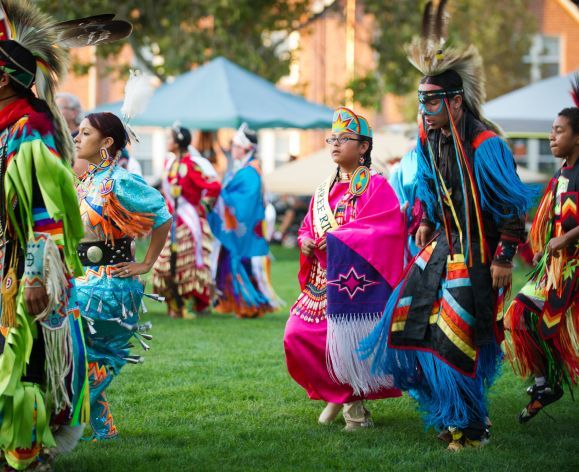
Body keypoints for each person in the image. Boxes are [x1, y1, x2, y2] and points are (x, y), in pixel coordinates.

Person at [354, 1, 533, 450]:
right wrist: (427, 219)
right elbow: (432, 190)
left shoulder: (486, 144)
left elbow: (510, 206)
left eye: (430, 101)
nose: (424, 109)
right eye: (420, 101)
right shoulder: (432, 139)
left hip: (477, 256)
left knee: (455, 338)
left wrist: (504, 257)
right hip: (444, 247)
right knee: (409, 323)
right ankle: (450, 414)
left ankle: (471, 427)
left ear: (455, 101)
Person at [0, 1, 131, 468]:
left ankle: (30, 448)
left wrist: (35, 274)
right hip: (4, 259)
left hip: (24, 266)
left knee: (25, 356)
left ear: (4, 78)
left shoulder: (27, 128)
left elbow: (46, 209)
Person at [284, 107, 405, 430]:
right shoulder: (324, 189)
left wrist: (338, 239)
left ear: (363, 146)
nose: (335, 144)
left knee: (344, 344)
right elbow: (307, 226)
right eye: (332, 139)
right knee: (296, 336)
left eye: (344, 139)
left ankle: (354, 408)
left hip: (354, 284)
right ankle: (340, 395)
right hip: (322, 281)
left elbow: (386, 228)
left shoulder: (375, 186)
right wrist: (307, 240)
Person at [74, 112, 171, 440]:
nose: (76, 137)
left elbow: (162, 214)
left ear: (106, 143)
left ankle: (64, 418)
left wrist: (146, 263)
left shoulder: (120, 180)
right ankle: (104, 431)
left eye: (85, 133)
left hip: (110, 287)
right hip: (84, 280)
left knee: (89, 361)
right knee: (81, 357)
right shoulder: (88, 179)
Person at [504, 77, 579, 423]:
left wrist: (566, 239)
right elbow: (554, 216)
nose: (552, 137)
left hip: (574, 269)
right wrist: (545, 248)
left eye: (559, 130)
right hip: (555, 268)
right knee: (518, 314)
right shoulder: (562, 171)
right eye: (551, 130)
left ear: (577, 136)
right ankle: (543, 383)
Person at [208, 123, 282, 318]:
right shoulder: (246, 170)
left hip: (245, 229)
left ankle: (249, 305)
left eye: (235, 145)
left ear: (246, 148)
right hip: (242, 228)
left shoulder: (249, 172)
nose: (232, 149)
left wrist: (220, 194)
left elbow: (244, 202)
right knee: (229, 259)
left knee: (242, 261)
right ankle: (232, 302)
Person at [153, 124, 221, 318]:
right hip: (171, 219)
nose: (167, 141)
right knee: (165, 263)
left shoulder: (192, 164)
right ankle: (173, 301)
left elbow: (214, 185)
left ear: (178, 141)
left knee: (189, 262)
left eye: (169, 138)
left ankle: (193, 302)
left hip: (188, 221)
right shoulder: (169, 163)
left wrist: (203, 206)